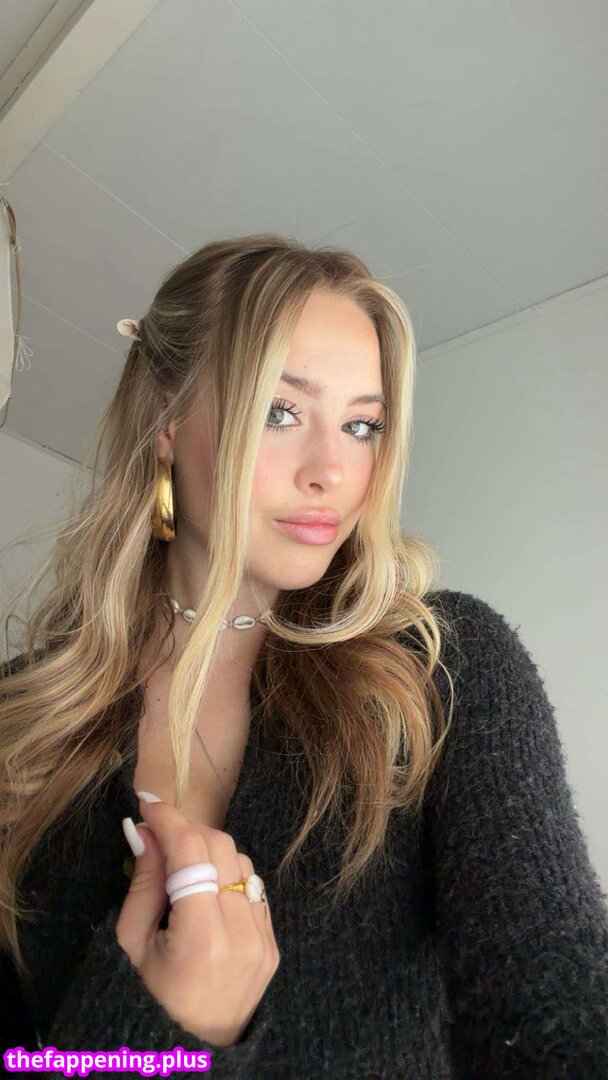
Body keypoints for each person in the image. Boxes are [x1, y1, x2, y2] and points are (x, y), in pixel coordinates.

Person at [1, 234, 607, 1079]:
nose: (332, 471)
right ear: (167, 421)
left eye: (362, 426)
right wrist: (145, 1036)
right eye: (280, 412)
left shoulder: (441, 671)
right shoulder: (20, 722)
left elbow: (555, 1003)